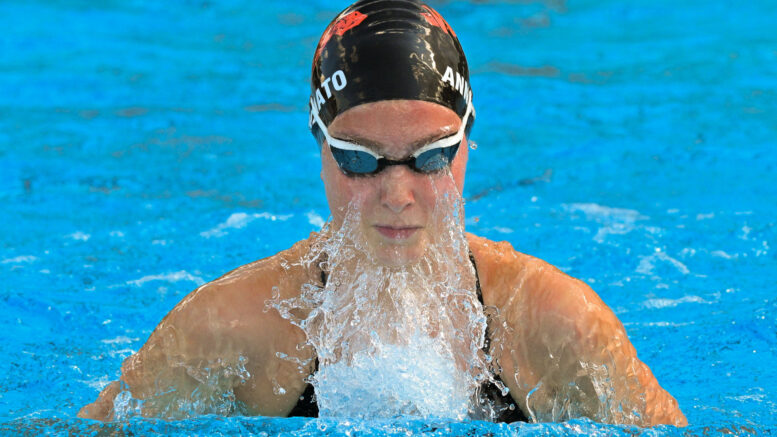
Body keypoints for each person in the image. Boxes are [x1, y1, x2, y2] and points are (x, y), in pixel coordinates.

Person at [79, 0, 687, 426]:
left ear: (467, 147)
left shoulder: (556, 325)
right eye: (359, 160)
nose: (397, 193)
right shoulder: (230, 329)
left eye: (432, 158)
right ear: (321, 152)